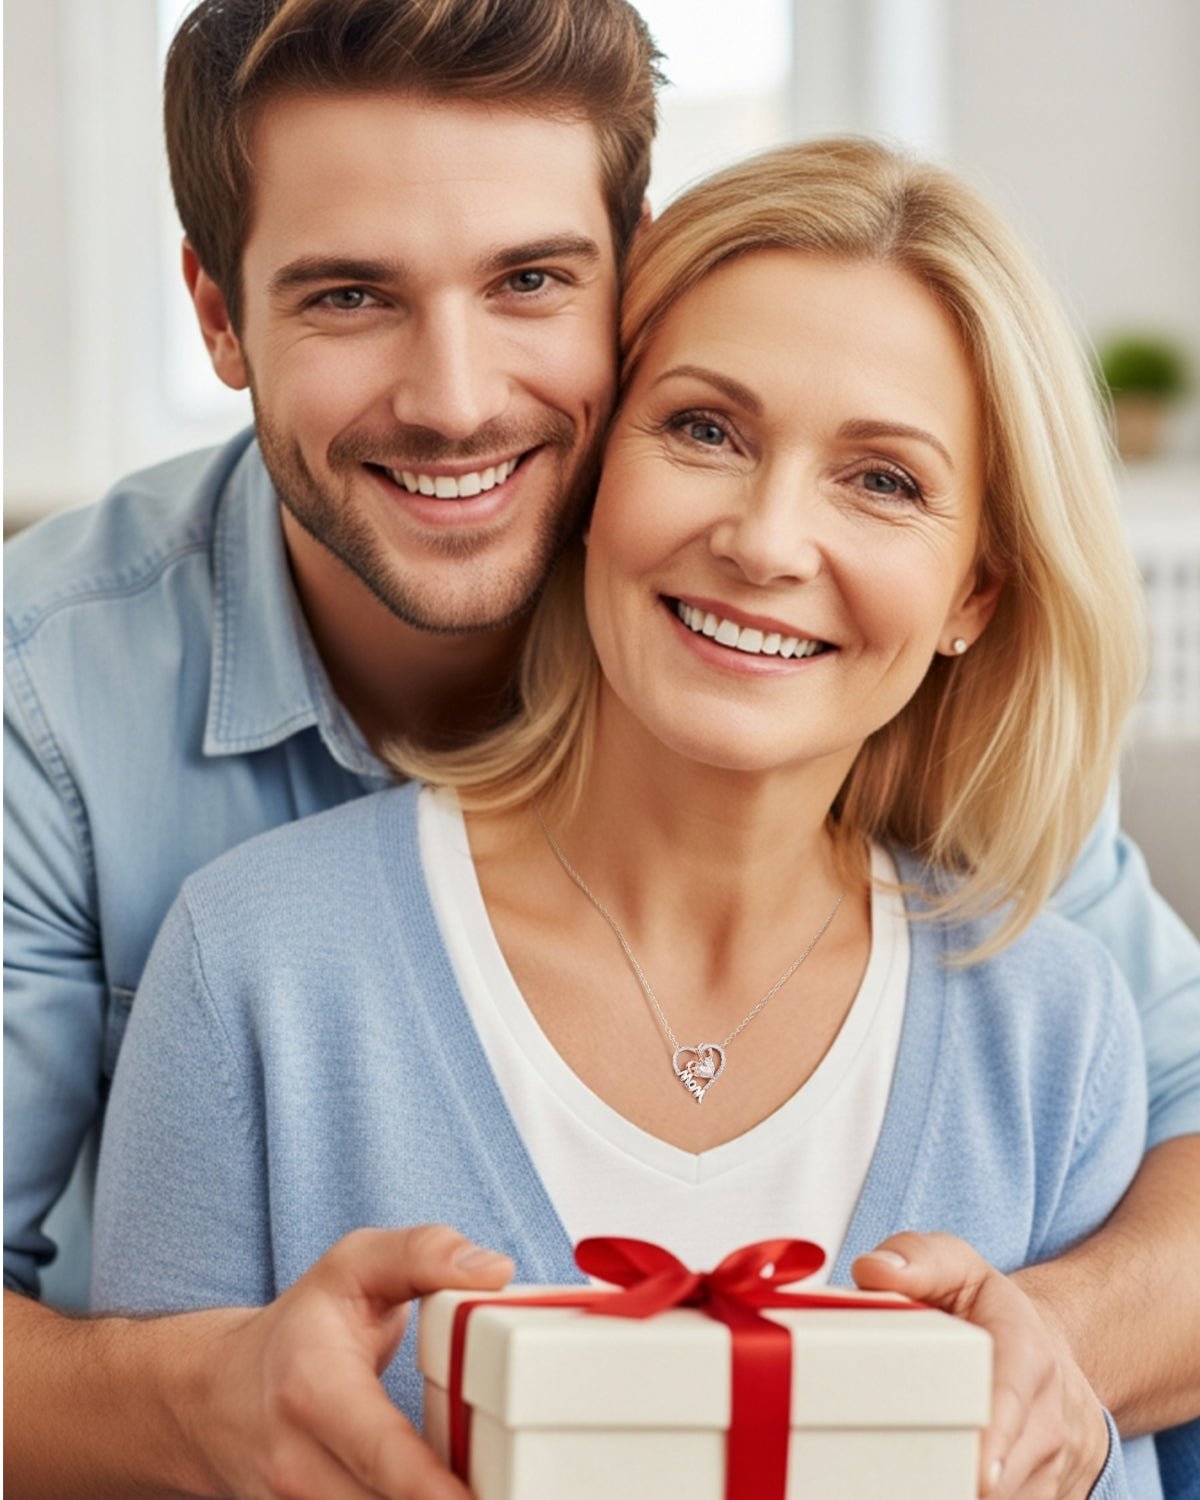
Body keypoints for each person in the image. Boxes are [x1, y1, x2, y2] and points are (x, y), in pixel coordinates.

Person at [1, 0, 1197, 1494]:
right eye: (349, 295)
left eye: (528, 280)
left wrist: (999, 1374)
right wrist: (203, 1405)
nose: (454, 401)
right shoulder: (90, 746)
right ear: (219, 313)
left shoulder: (1019, 960)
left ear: (625, 281)